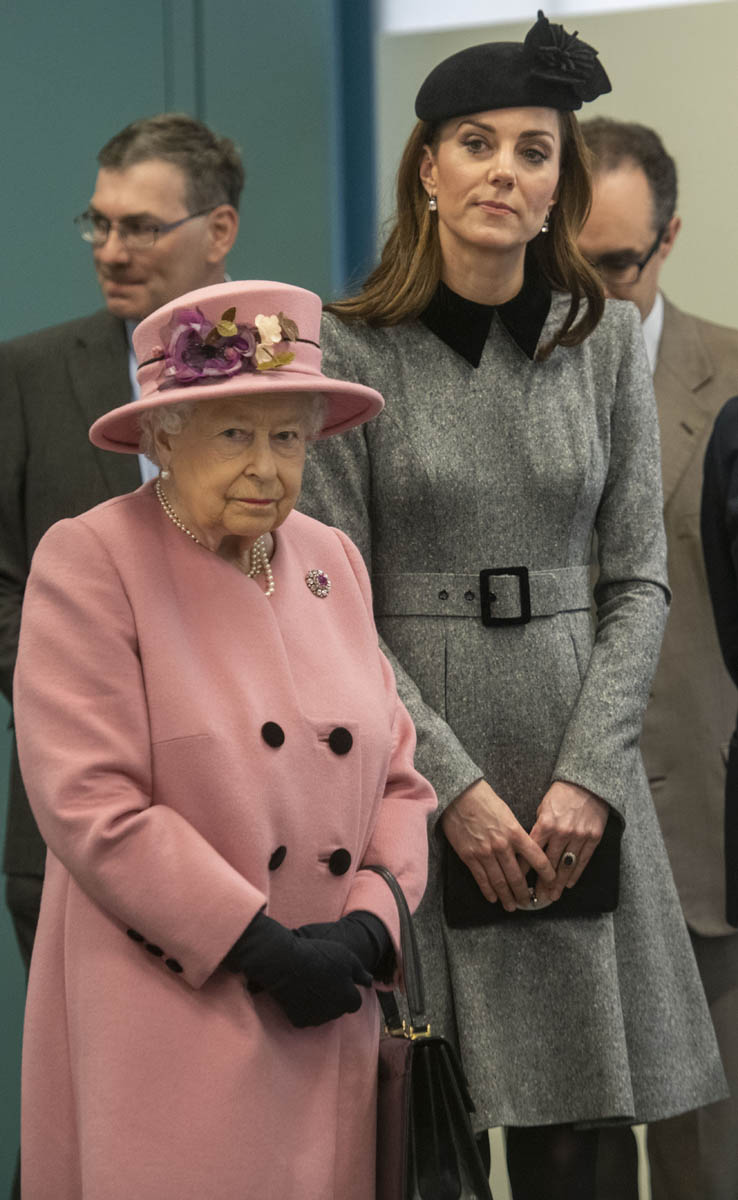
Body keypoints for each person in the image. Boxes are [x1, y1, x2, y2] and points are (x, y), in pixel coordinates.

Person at [298, 13, 727, 1199]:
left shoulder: (602, 342)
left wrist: (591, 774)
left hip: (575, 768)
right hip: (417, 773)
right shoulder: (350, 349)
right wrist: (453, 789)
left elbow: (637, 577)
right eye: (476, 144)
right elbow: (334, 607)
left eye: (534, 150)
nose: (504, 170)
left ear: (557, 187)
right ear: (428, 170)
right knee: (428, 1129)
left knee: (577, 1138)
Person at [12, 279, 435, 1200]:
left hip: (332, 1009)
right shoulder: (93, 560)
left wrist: (367, 931)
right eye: (234, 433)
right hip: (178, 1010)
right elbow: (92, 804)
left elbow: (401, 781)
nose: (266, 467)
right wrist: (257, 945)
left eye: (288, 437)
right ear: (163, 438)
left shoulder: (333, 559)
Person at [0, 112, 242, 984]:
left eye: (140, 227)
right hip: (77, 830)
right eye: (98, 224)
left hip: (261, 813)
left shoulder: (289, 371)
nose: (110, 250)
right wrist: (91, 694)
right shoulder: (26, 374)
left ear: (219, 230)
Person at [579, 117, 738, 1200]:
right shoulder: (500, 383)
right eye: (565, 263)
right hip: (545, 843)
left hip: (706, 843)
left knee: (707, 1169)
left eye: (614, 267)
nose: (585, 296)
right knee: (567, 1164)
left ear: (669, 240)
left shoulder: (733, 381)